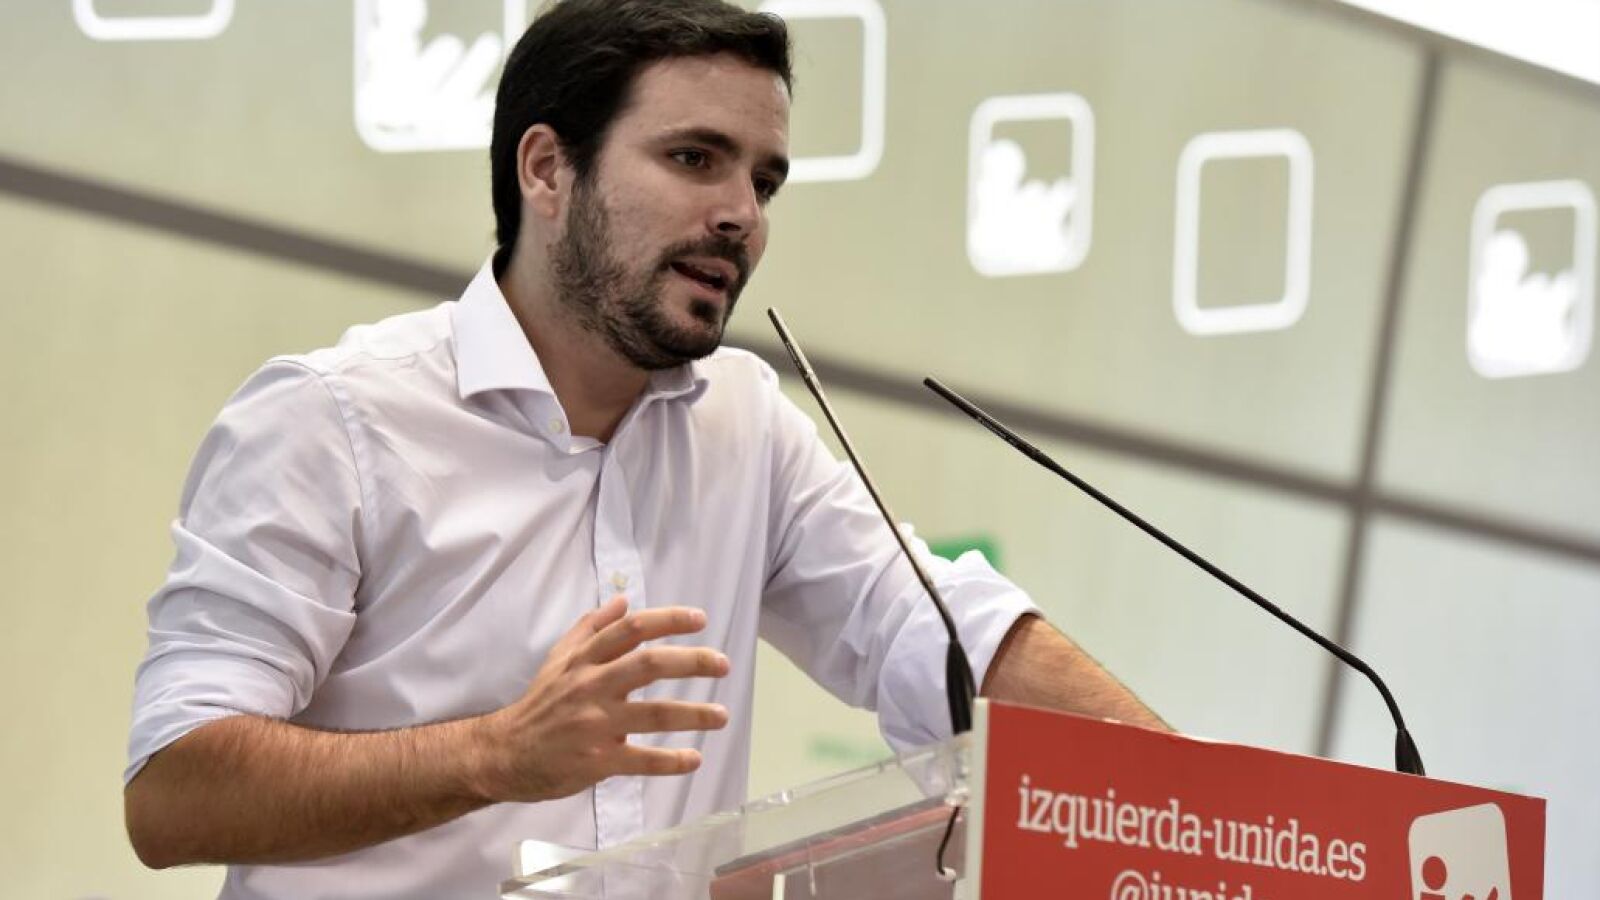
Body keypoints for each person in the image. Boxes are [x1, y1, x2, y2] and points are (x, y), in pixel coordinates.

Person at [123, 0, 1167, 896]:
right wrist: (494, 753)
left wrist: (1197, 808)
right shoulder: (331, 420)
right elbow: (172, 793)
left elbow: (936, 635)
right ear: (547, 170)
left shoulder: (746, 423)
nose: (741, 216)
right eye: (693, 159)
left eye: (764, 181)